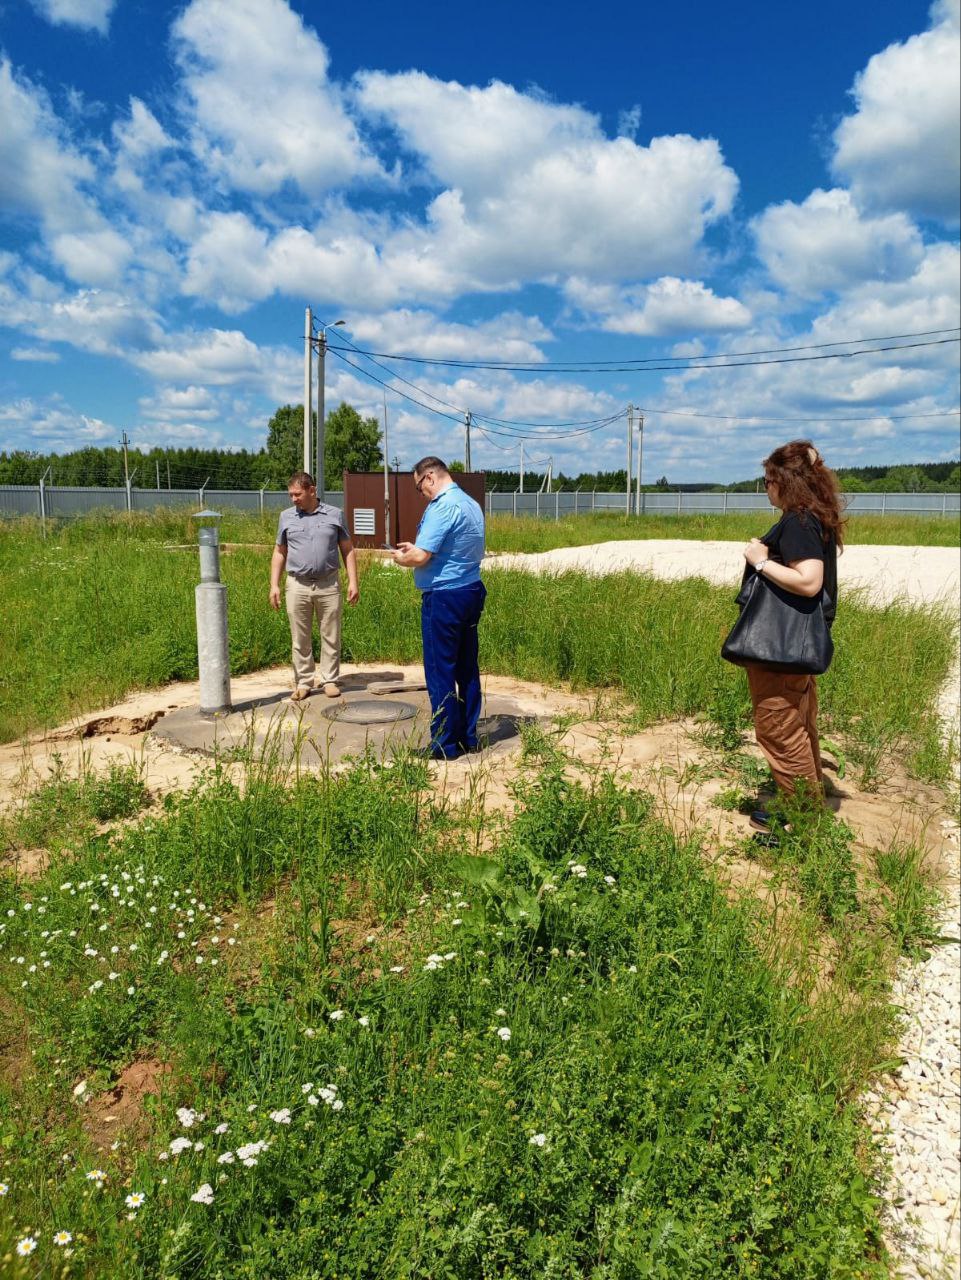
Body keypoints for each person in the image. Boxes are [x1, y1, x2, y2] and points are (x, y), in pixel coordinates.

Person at [739, 440, 843, 831]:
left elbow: (809, 581)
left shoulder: (799, 521)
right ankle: (807, 803)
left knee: (778, 729)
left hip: (780, 648)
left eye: (769, 480)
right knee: (799, 724)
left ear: (788, 482)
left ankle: (802, 824)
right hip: (793, 645)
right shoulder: (811, 517)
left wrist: (760, 560)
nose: (766, 488)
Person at [391, 457, 486, 760]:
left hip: (444, 596)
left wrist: (401, 557)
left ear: (429, 477)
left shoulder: (442, 506)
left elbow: (421, 557)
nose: (422, 494)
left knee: (440, 669)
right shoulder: (470, 504)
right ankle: (469, 737)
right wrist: (416, 550)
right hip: (470, 590)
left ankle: (444, 745)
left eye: (420, 488)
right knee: (467, 667)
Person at [269, 471, 359, 702]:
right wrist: (274, 585)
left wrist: (353, 581)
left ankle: (329, 679)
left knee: (331, 633)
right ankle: (304, 681)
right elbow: (280, 552)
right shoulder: (286, 517)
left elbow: (347, 549)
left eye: (297, 494)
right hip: (297, 585)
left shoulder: (335, 515)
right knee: (300, 637)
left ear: (312, 490)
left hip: (328, 584)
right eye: (290, 495)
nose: (294, 499)